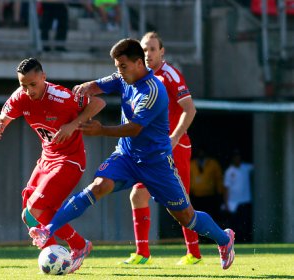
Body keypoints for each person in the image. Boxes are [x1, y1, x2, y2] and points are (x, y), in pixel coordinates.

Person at [29, 39, 236, 271]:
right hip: (126, 157)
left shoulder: (154, 91)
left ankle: (224, 239)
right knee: (98, 185)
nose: (119, 72)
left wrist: (102, 130)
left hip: (156, 163)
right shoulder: (124, 77)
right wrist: (88, 86)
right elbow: (102, 84)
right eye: (117, 66)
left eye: (123, 66)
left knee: (186, 216)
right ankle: (48, 229)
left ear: (139, 63)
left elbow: (135, 128)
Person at [0, 58, 106, 273]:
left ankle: (73, 247)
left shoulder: (61, 97)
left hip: (70, 160)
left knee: (35, 209)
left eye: (33, 84)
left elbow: (99, 103)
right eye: (23, 85)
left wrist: (73, 125)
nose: (28, 90)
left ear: (44, 77)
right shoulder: (20, 97)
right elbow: (2, 118)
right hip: (47, 159)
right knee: (28, 214)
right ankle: (66, 251)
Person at [120, 31, 201, 266]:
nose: (148, 54)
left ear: (162, 52)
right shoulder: (139, 79)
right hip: (151, 149)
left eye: (152, 49)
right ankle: (143, 253)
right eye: (144, 50)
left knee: (180, 204)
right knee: (138, 194)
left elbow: (190, 109)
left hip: (176, 147)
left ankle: (194, 253)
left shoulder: (171, 75)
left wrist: (175, 137)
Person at [223, 149, 253, 242]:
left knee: (246, 223)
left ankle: (246, 240)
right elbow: (226, 188)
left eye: (238, 157)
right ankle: (236, 240)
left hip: (245, 201)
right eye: (235, 157)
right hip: (233, 203)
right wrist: (226, 203)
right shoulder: (229, 171)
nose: (237, 159)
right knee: (236, 224)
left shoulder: (246, 167)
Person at [190, 147, 225, 222]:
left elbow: (219, 179)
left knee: (210, 216)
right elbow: (187, 178)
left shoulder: (213, 164)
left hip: (209, 196)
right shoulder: (192, 164)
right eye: (199, 152)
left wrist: (220, 193)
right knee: (196, 218)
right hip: (195, 197)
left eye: (203, 152)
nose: (201, 154)